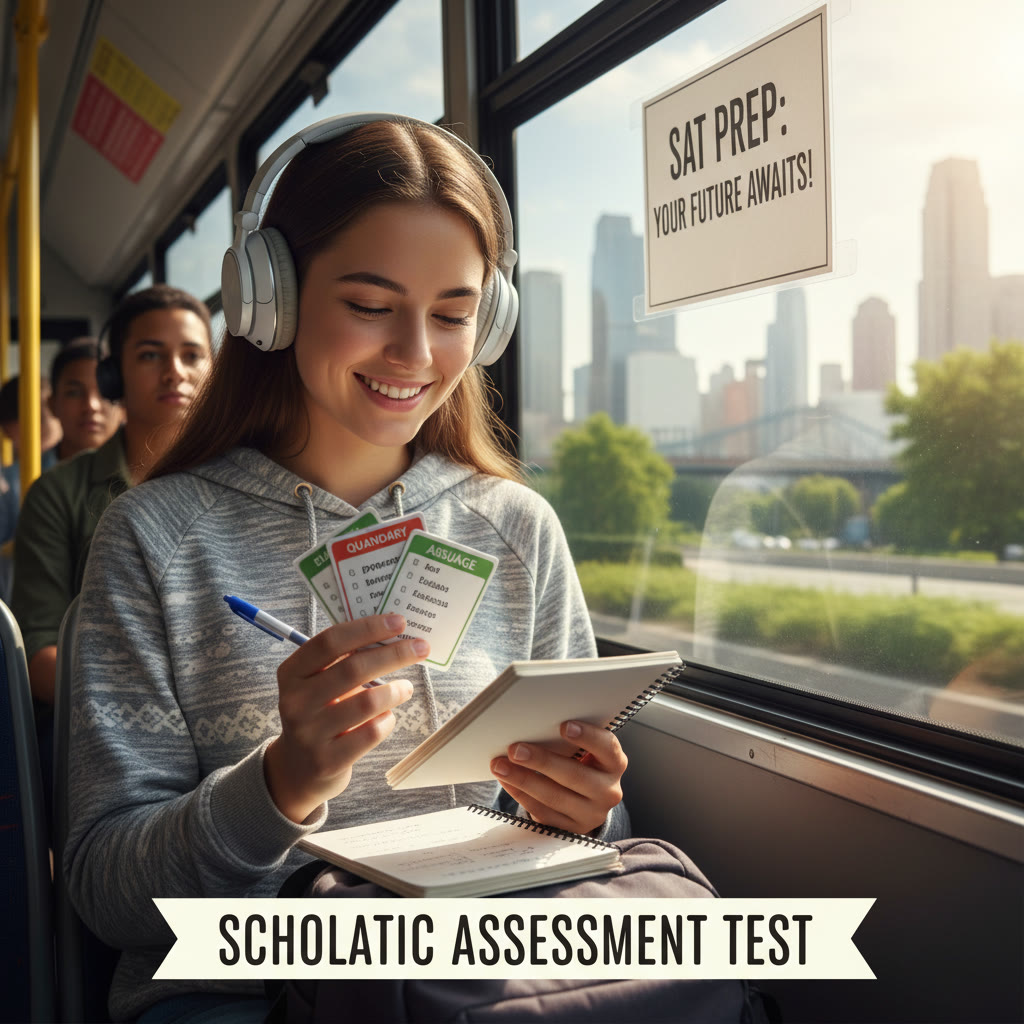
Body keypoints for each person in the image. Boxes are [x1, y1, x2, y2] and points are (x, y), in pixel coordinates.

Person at [64, 114, 627, 1023]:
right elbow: (106, 894)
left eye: (453, 315)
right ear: (270, 302)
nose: (415, 354)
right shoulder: (155, 540)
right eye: (370, 306)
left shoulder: (518, 529)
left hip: (483, 980)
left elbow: (587, 852)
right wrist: (281, 783)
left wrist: (586, 817)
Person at [10, 285, 212, 789]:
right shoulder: (59, 493)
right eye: (150, 355)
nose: (175, 373)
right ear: (113, 375)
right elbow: (38, 657)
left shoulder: (247, 481)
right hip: (103, 730)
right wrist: (152, 704)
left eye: (192, 355)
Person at [47, 338, 123, 460]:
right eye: (74, 393)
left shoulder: (148, 475)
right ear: (52, 404)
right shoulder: (19, 477)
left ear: (124, 405)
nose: (91, 405)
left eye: (104, 391)